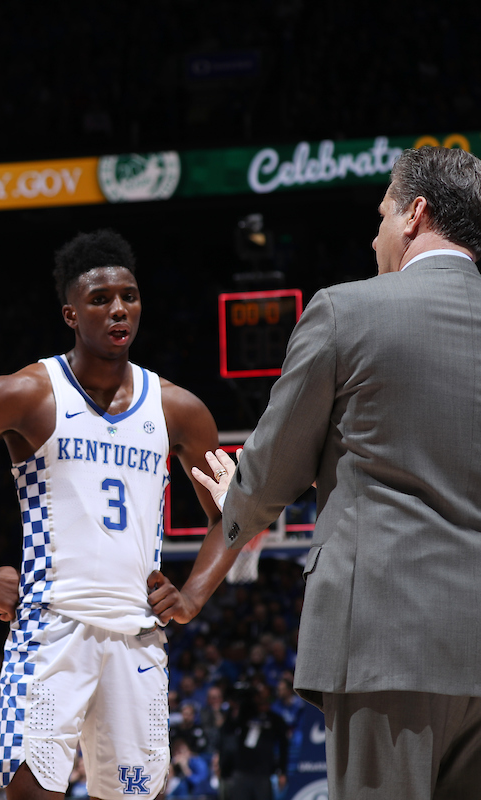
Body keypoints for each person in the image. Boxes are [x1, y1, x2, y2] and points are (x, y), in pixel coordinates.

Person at [194, 145, 481, 799]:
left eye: (382, 211)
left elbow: (270, 470)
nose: (374, 230)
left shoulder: (346, 310)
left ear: (415, 214)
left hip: (387, 637)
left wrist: (236, 508)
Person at [0, 229, 240, 800]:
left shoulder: (178, 409)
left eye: (130, 296)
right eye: (100, 299)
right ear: (70, 313)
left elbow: (234, 516)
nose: (119, 308)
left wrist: (193, 595)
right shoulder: (25, 393)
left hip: (139, 638)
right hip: (50, 629)